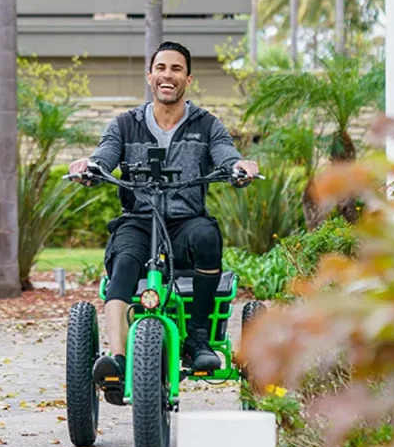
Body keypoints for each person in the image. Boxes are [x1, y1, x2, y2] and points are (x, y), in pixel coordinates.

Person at [67, 41, 259, 405]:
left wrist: (239, 167)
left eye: (175, 69)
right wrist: (90, 167)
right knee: (123, 261)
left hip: (186, 221)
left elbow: (226, 154)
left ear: (188, 78)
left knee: (207, 236)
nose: (167, 75)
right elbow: (105, 154)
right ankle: (117, 358)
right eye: (161, 68)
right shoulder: (125, 124)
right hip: (139, 220)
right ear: (150, 76)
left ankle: (199, 339)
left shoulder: (206, 124)